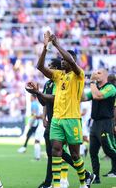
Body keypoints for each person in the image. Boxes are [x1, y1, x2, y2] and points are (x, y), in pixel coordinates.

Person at [36, 32, 88, 188]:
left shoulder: (79, 75)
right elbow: (40, 67)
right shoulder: (58, 75)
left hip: (72, 119)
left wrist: (57, 44)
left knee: (74, 154)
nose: (62, 61)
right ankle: (57, 185)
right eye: (62, 60)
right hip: (57, 120)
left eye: (65, 59)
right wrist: (46, 47)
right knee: (56, 150)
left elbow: (71, 61)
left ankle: (84, 182)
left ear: (71, 61)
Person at [83, 69, 116, 183]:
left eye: (99, 73)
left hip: (105, 123)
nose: (96, 74)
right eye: (96, 72)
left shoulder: (110, 88)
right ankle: (96, 177)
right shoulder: (95, 88)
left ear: (105, 76)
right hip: (95, 124)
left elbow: (98, 96)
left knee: (109, 150)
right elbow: (83, 98)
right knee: (92, 152)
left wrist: (91, 82)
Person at [17, 95, 44, 160]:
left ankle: (36, 156)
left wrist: (32, 122)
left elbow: (35, 114)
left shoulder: (34, 104)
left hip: (37, 123)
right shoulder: (38, 104)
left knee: (35, 139)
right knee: (32, 137)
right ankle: (26, 148)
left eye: (31, 97)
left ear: (34, 97)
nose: (30, 98)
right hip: (39, 123)